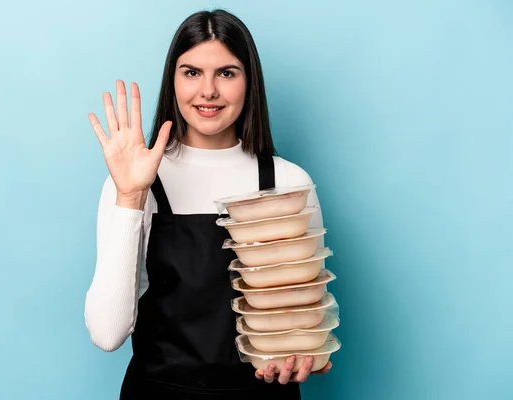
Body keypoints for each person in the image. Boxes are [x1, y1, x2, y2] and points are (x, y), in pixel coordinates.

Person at [85, 9, 331, 399]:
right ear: (173, 80)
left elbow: (304, 317)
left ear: (250, 82)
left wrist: (301, 356)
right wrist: (131, 196)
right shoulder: (135, 181)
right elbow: (107, 333)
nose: (209, 91)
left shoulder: (288, 182)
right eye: (192, 72)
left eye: (227, 73)